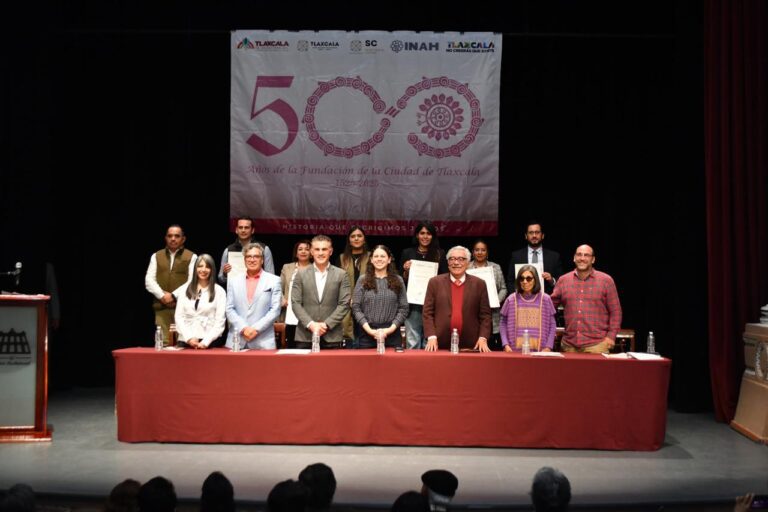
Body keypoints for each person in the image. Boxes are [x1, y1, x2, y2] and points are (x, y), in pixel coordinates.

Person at [551, 245, 622, 354]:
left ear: (593, 259)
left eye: (586, 255)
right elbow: (549, 308)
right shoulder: (563, 280)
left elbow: (616, 312)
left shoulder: (606, 281)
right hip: (569, 346)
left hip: (597, 346)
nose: (582, 258)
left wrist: (611, 337)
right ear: (574, 258)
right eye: (579, 255)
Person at [422, 246, 492, 352]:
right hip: (439, 344)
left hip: (471, 345)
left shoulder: (479, 284)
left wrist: (483, 337)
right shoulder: (434, 282)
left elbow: (485, 315)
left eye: (461, 259)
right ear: (448, 262)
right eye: (452, 259)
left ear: (468, 263)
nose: (456, 262)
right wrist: (431, 336)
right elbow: (427, 313)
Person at [291, 235, 351, 349]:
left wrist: (326, 325)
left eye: (324, 249)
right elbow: (295, 303)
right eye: (317, 249)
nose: (320, 253)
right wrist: (311, 324)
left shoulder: (341, 275)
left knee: (332, 368)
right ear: (312, 252)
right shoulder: (300, 274)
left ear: (331, 251)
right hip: (305, 335)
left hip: (332, 335)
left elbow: (344, 304)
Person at [399, 221, 448, 349]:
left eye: (428, 233)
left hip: (434, 303)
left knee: (430, 341)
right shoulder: (407, 253)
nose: (425, 236)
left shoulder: (440, 253)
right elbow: (400, 280)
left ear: (433, 236)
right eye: (422, 233)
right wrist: (405, 271)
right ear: (417, 235)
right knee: (412, 341)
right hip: (413, 303)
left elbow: (445, 279)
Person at [145, 225, 196, 343]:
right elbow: (149, 280)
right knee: (163, 344)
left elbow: (192, 281)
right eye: (170, 236)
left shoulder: (192, 256)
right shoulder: (156, 256)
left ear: (183, 239)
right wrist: (162, 296)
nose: (173, 238)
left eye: (177, 236)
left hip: (183, 308)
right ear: (165, 238)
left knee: (183, 344)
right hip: (161, 308)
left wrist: (173, 296)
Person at [225, 243, 282, 350]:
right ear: (244, 260)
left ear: (262, 260)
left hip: (263, 341)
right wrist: (244, 328)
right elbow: (229, 309)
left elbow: (275, 310)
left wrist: (255, 329)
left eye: (256, 256)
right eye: (248, 256)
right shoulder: (233, 281)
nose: (252, 260)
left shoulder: (274, 280)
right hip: (237, 340)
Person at [351, 245, 409, 349]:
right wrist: (370, 331)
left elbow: (404, 308)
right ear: (371, 260)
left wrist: (389, 330)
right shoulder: (362, 280)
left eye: (382, 256)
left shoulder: (398, 280)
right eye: (376, 256)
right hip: (366, 334)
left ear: (389, 260)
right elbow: (356, 307)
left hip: (392, 334)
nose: (379, 259)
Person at [172, 254, 226, 349]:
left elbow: (220, 322)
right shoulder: (184, 289)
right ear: (195, 269)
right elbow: (179, 316)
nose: (203, 270)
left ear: (212, 270)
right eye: (200, 266)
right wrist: (189, 338)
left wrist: (205, 342)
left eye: (207, 267)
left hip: (209, 342)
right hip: (186, 340)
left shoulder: (219, 291)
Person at [500, 265, 556, 352]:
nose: (524, 281)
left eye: (528, 278)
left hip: (541, 352)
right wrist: (505, 344)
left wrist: (548, 346)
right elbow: (503, 323)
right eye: (521, 279)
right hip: (514, 352)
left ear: (535, 280)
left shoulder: (545, 299)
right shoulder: (511, 299)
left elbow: (552, 325)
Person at [468, 239, 507, 349]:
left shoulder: (496, 267)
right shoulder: (466, 267)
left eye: (483, 250)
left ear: (487, 252)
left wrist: (495, 301)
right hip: (472, 313)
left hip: (492, 312)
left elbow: (503, 289)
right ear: (473, 252)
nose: (480, 252)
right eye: (477, 250)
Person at [507, 222, 563, 295]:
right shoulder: (516, 256)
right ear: (526, 236)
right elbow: (510, 281)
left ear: (542, 235)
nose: (534, 235)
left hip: (547, 300)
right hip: (522, 300)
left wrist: (551, 280)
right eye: (531, 233)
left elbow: (561, 280)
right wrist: (517, 297)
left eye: (537, 232)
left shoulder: (554, 257)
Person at [338, 226, 371, 347]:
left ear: (364, 239)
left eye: (359, 236)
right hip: (346, 303)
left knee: (365, 340)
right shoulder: (342, 258)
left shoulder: (373, 257)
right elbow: (337, 282)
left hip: (368, 303)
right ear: (349, 240)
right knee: (349, 341)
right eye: (353, 236)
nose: (356, 238)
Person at [218, 217, 274, 286]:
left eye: (246, 227)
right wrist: (225, 273)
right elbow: (221, 279)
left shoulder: (264, 249)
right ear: (236, 230)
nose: (243, 230)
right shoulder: (228, 250)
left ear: (252, 230)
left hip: (258, 290)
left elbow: (271, 277)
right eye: (240, 227)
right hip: (235, 291)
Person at [279, 239, 312, 347]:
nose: (303, 252)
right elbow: (278, 287)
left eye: (307, 249)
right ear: (296, 253)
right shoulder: (287, 267)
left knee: (304, 345)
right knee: (290, 344)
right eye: (300, 249)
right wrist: (282, 298)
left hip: (308, 311)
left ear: (311, 253)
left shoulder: (315, 268)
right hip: (289, 311)